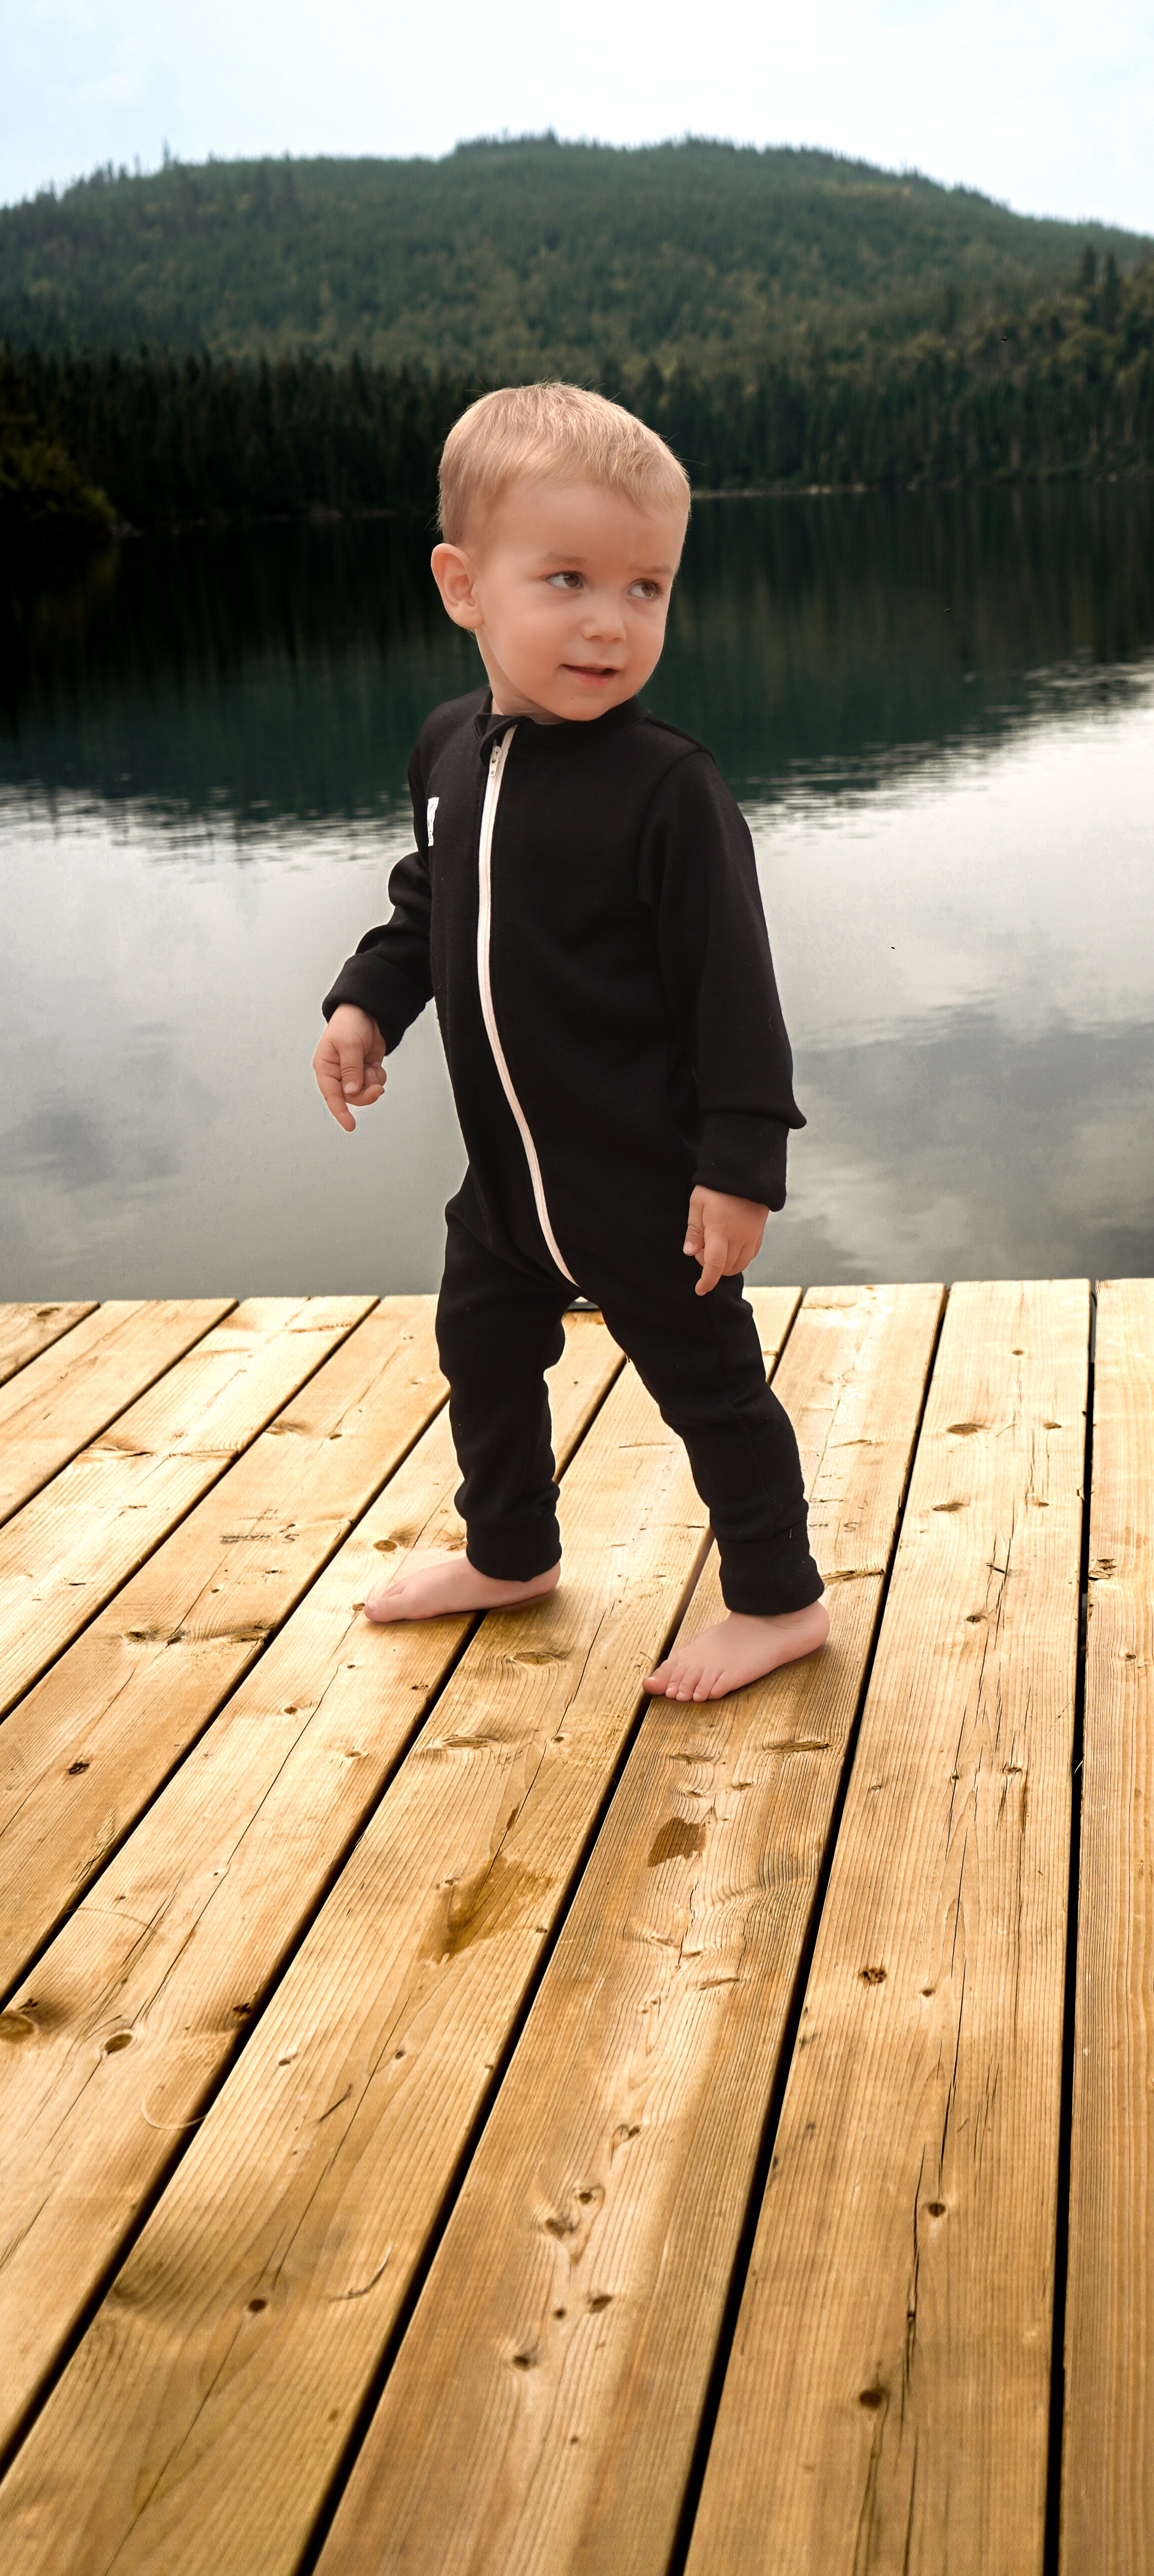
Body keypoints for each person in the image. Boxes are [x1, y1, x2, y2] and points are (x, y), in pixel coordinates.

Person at [310, 382, 825, 1703]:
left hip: (645, 1186)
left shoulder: (668, 790)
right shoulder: (450, 752)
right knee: (481, 1354)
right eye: (568, 579)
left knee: (712, 1391)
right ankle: (510, 1553)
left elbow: (733, 992)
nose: (612, 621)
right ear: (462, 584)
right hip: (504, 1193)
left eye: (647, 588)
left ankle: (778, 1604)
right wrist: (367, 1003)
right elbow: (429, 904)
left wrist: (740, 1167)